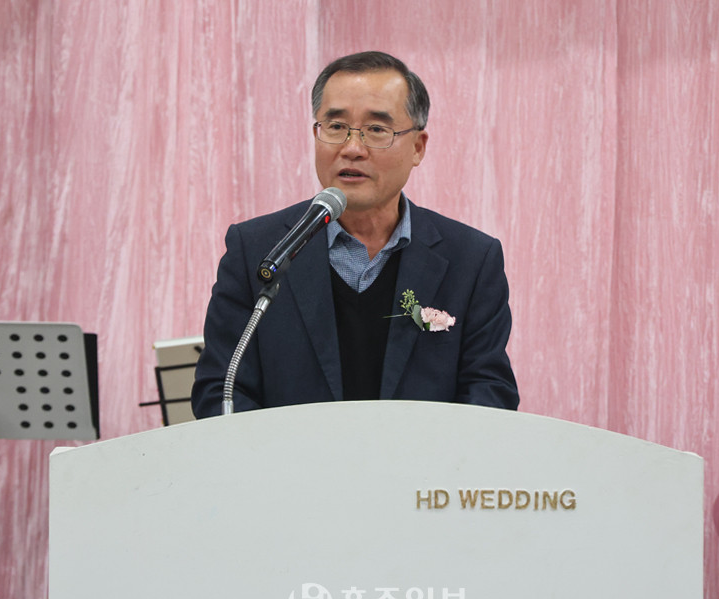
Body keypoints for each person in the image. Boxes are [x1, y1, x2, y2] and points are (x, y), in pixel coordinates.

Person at [191, 51, 518, 418]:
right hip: (287, 457)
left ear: (418, 147)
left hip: (424, 456)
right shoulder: (257, 250)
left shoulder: (471, 260)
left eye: (376, 130)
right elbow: (222, 390)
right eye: (335, 127)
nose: (352, 148)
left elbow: (489, 393)